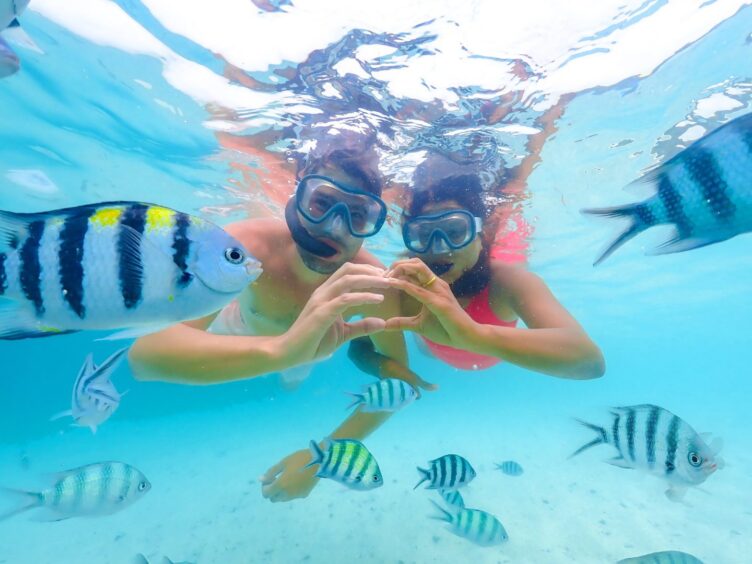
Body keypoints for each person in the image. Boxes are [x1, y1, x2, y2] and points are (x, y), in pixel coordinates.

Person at [128, 131, 434, 502]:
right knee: (293, 367)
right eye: (323, 203)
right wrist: (284, 350)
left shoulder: (374, 287)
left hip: (306, 353)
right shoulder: (247, 246)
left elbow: (397, 386)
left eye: (357, 215)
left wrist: (316, 460)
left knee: (292, 380)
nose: (334, 228)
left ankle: (289, 377)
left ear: (374, 222)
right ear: (297, 195)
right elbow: (145, 356)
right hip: (239, 326)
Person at [383, 149, 605, 379]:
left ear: (485, 233)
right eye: (424, 234)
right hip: (433, 349)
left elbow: (590, 362)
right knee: (425, 347)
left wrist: (472, 335)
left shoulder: (506, 282)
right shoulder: (403, 283)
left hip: (491, 352)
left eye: (456, 230)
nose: (439, 248)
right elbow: (361, 348)